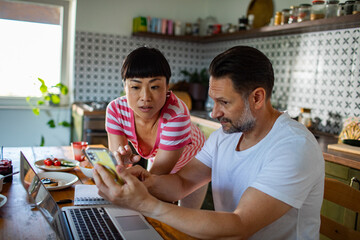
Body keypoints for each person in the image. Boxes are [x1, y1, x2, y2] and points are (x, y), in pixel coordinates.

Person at [95, 46, 325, 239]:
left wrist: (146, 204)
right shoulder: (224, 136)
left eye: (224, 102)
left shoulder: (293, 147)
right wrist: (146, 180)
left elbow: (240, 225)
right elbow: (183, 181)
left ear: (257, 98)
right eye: (213, 101)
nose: (214, 113)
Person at [105, 46, 207, 208]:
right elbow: (118, 167)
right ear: (125, 87)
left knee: (183, 220)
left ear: (167, 88)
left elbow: (154, 178)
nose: (145, 97)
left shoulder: (177, 115)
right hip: (160, 155)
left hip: (194, 163)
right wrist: (122, 163)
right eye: (136, 87)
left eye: (155, 87)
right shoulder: (116, 110)